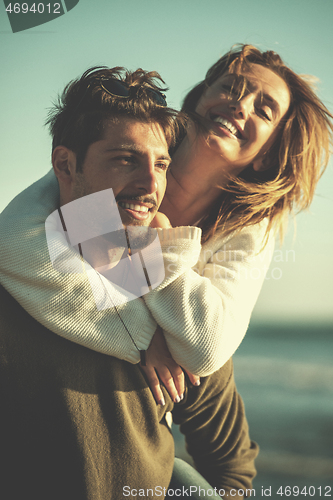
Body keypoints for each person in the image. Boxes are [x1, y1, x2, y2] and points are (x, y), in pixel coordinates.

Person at [0, 45, 332, 406]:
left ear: (267, 152)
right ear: (198, 99)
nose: (241, 105)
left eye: (263, 109)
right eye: (230, 88)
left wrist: (152, 239)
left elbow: (207, 349)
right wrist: (146, 337)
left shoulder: (249, 227)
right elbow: (14, 240)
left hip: (169, 404)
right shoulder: (128, 149)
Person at [0, 66, 257, 500]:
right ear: (65, 164)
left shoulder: (182, 311)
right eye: (125, 159)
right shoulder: (11, 291)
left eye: (161, 164)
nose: (152, 184)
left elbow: (231, 468)